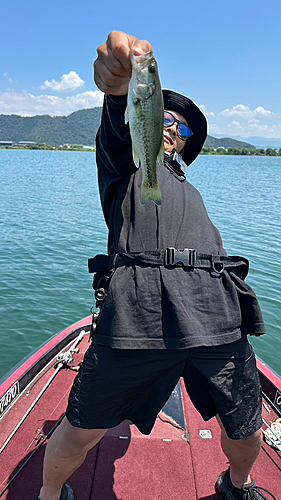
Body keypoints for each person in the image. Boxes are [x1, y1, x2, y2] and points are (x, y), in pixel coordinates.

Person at [36, 31, 275, 500]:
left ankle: (236, 484)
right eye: (164, 117)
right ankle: (48, 494)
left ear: (187, 146)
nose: (171, 129)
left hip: (216, 313)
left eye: (183, 129)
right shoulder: (124, 164)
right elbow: (117, 119)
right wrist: (120, 85)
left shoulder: (187, 183)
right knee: (82, 428)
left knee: (247, 431)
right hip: (137, 313)